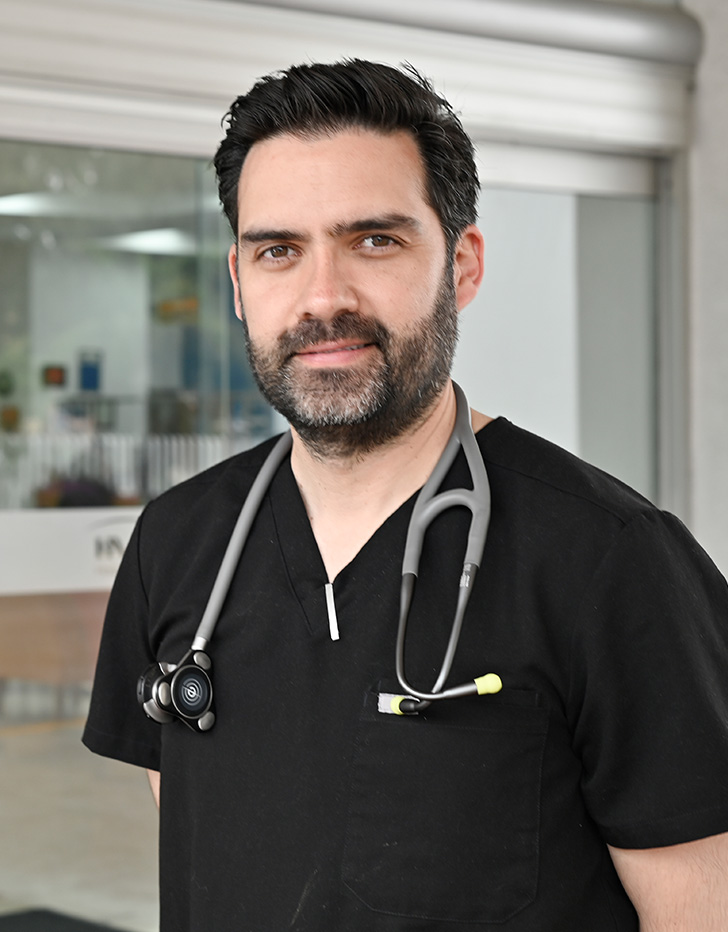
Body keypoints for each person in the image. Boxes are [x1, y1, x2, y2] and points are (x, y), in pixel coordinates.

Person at [83, 60, 728, 931]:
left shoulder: (612, 562)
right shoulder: (178, 541)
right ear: (238, 283)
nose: (324, 298)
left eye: (375, 240)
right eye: (280, 250)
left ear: (461, 266)